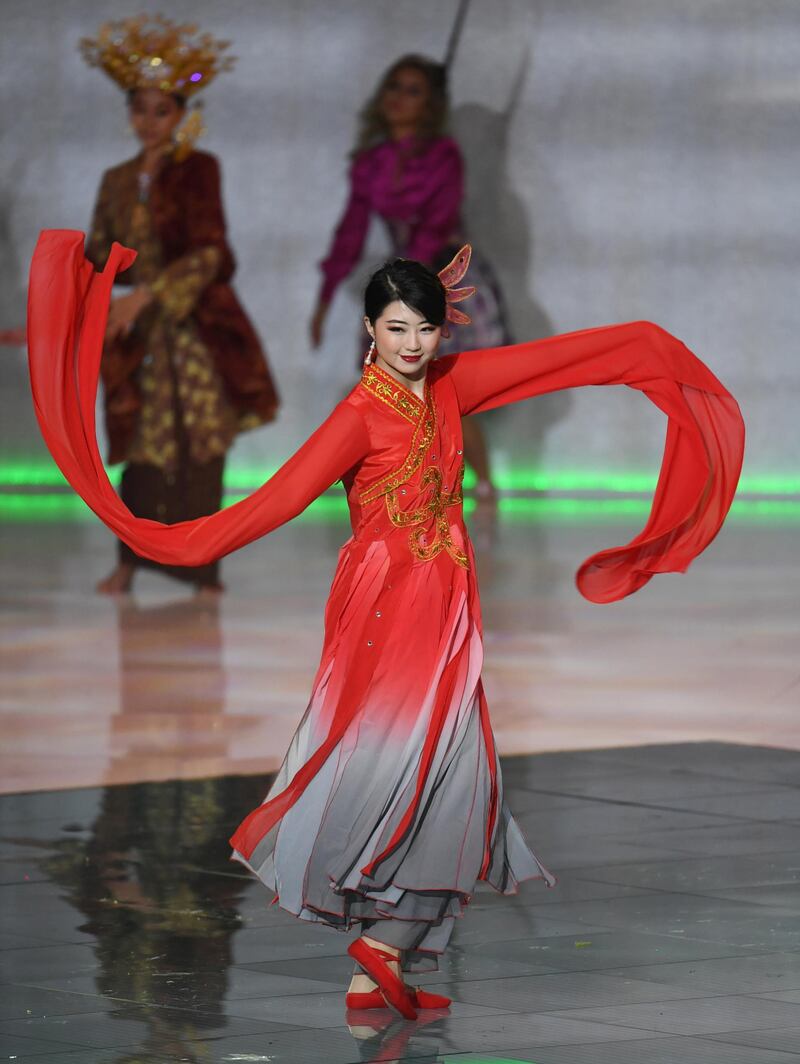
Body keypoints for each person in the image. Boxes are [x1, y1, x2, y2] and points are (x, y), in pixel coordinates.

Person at [28, 232, 744, 1017]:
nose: (412, 344)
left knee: (445, 768)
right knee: (424, 769)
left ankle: (373, 973)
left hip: (446, 603)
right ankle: (384, 941)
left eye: (426, 329)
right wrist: (160, 537)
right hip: (387, 608)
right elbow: (267, 507)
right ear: (371, 328)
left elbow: (562, 360)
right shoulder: (358, 418)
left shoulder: (448, 383)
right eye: (397, 328)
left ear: (442, 331)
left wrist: (649, 349)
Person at [81, 15, 279, 595]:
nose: (149, 121)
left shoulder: (198, 170)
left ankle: (204, 565)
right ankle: (131, 559)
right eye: (139, 108)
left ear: (181, 112)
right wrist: (81, 286)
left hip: (191, 326)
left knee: (199, 441)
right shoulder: (116, 179)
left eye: (160, 109)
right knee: (139, 444)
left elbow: (212, 250)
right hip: (136, 336)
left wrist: (148, 294)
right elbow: (99, 251)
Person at [310, 54, 509, 497]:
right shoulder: (372, 160)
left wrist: (410, 292)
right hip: (405, 276)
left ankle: (483, 484)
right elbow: (351, 230)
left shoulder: (442, 156)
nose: (400, 98)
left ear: (431, 105)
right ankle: (408, 479)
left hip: (448, 278)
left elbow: (436, 225)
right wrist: (324, 299)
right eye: (394, 86)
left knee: (448, 388)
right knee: (391, 385)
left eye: (413, 91)